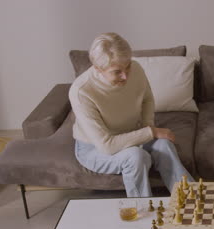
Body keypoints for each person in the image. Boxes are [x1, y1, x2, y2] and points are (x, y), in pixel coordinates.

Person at [69, 32, 193, 197]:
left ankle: (190, 199)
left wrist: (149, 125)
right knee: (135, 157)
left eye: (127, 66)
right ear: (98, 69)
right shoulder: (81, 91)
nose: (126, 75)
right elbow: (107, 145)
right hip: (96, 148)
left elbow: (147, 99)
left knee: (164, 145)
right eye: (117, 71)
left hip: (131, 133)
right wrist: (152, 132)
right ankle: (142, 212)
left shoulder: (136, 69)